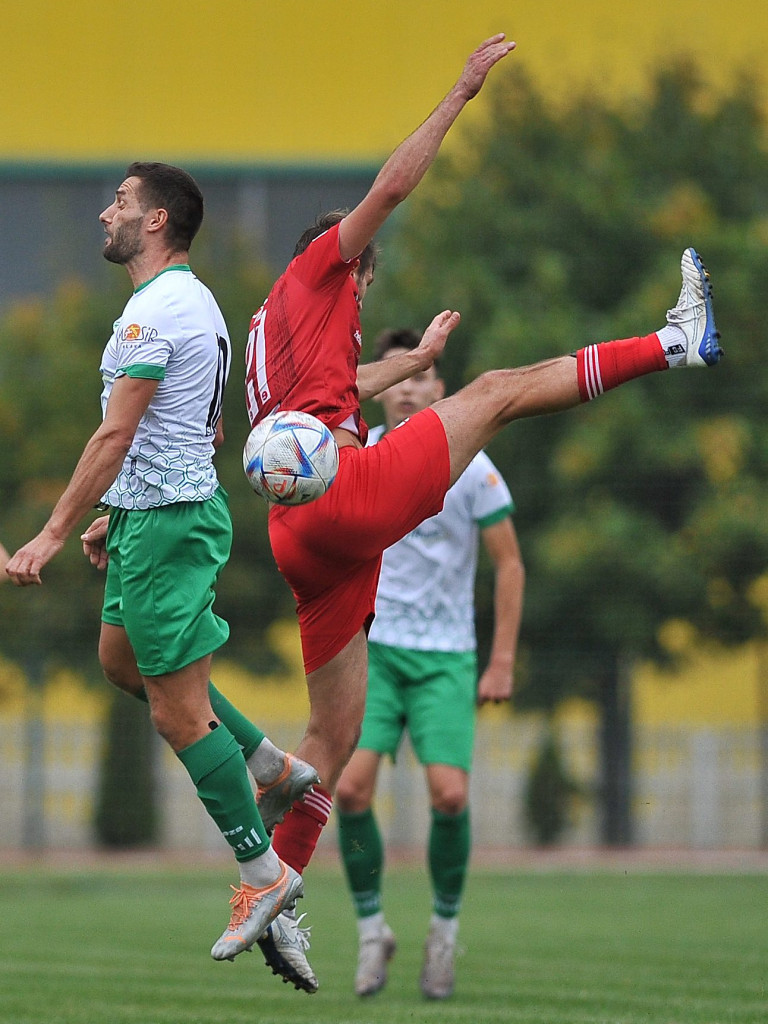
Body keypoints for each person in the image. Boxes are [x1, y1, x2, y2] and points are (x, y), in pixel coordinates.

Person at [243, 32, 722, 992]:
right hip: (346, 499)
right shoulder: (322, 271)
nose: (365, 279)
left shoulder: (275, 327)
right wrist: (459, 95)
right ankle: (680, 341)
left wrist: (410, 369)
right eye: (363, 271)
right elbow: (392, 186)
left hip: (298, 537)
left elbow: (336, 389)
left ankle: (268, 889)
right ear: (337, 264)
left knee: (327, 744)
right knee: (500, 389)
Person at [4, 161, 318, 963]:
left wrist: (50, 531)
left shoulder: (155, 314)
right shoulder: (189, 303)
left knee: (177, 715)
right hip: (157, 517)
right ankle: (270, 766)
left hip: (171, 527)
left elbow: (115, 434)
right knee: (122, 663)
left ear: (156, 221)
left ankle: (263, 872)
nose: (104, 213)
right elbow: (189, 433)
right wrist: (123, 511)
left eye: (119, 201)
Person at [335, 328, 525, 999]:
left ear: (440, 389)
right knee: (349, 791)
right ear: (384, 390)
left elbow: (509, 563)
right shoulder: (363, 457)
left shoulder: (470, 463)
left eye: (422, 376)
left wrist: (500, 660)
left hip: (446, 657)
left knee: (449, 796)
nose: (410, 386)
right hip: (378, 652)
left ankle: (443, 934)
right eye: (398, 377)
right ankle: (370, 932)